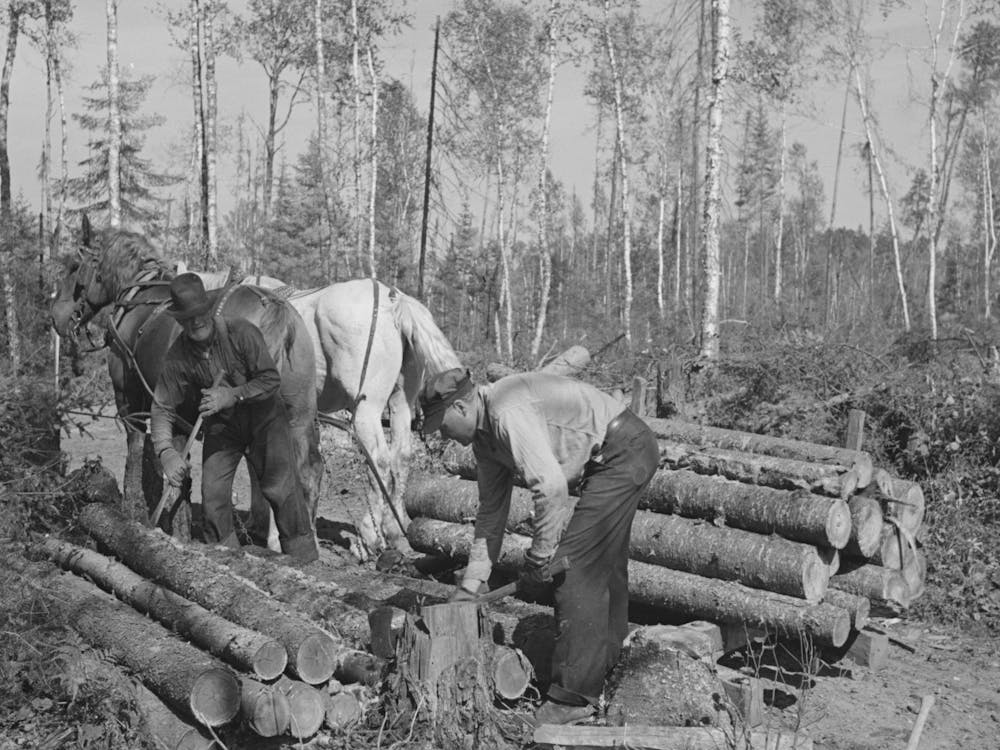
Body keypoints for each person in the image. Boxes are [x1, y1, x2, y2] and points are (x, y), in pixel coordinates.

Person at [419, 368, 659, 726]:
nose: (443, 434)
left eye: (442, 425)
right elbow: (490, 513)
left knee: (574, 569)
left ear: (461, 408)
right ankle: (609, 669)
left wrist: (541, 557)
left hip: (623, 450)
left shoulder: (504, 412)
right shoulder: (485, 440)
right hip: (614, 455)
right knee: (603, 565)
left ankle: (572, 699)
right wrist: (472, 584)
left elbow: (550, 488)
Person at [150, 273, 318, 565]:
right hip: (222, 429)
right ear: (179, 321)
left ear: (209, 309)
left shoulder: (242, 333)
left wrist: (233, 395)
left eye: (199, 314)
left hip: (265, 421)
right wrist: (165, 451)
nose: (196, 322)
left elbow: (269, 380)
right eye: (187, 318)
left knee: (283, 492)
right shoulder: (178, 356)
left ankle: (305, 562)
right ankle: (230, 571)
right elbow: (163, 407)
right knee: (213, 500)